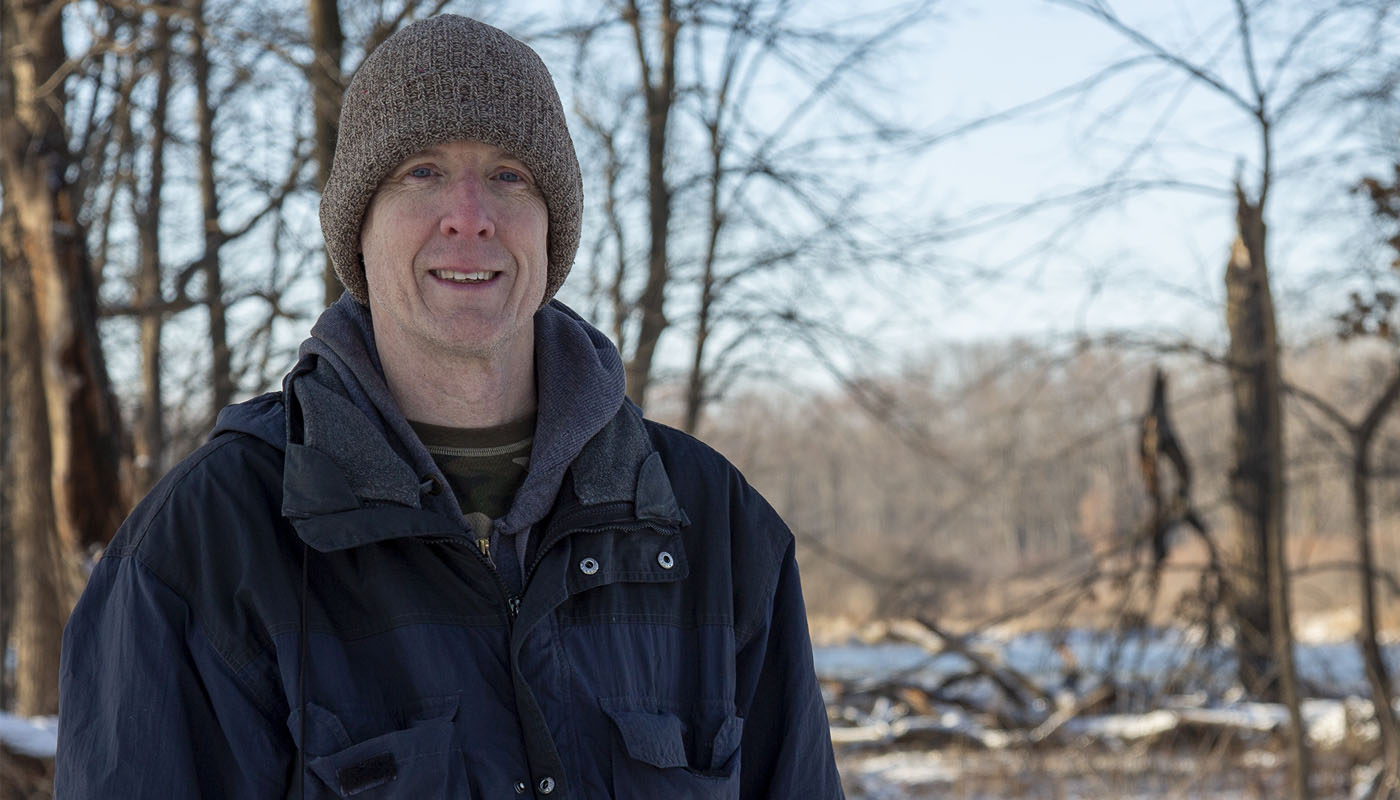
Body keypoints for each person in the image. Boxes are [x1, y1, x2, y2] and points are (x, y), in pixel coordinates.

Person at [55, 14, 843, 799]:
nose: (470, 214)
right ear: (358, 228)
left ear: (551, 227)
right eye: (421, 172)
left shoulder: (714, 526)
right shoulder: (209, 543)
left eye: (510, 175)